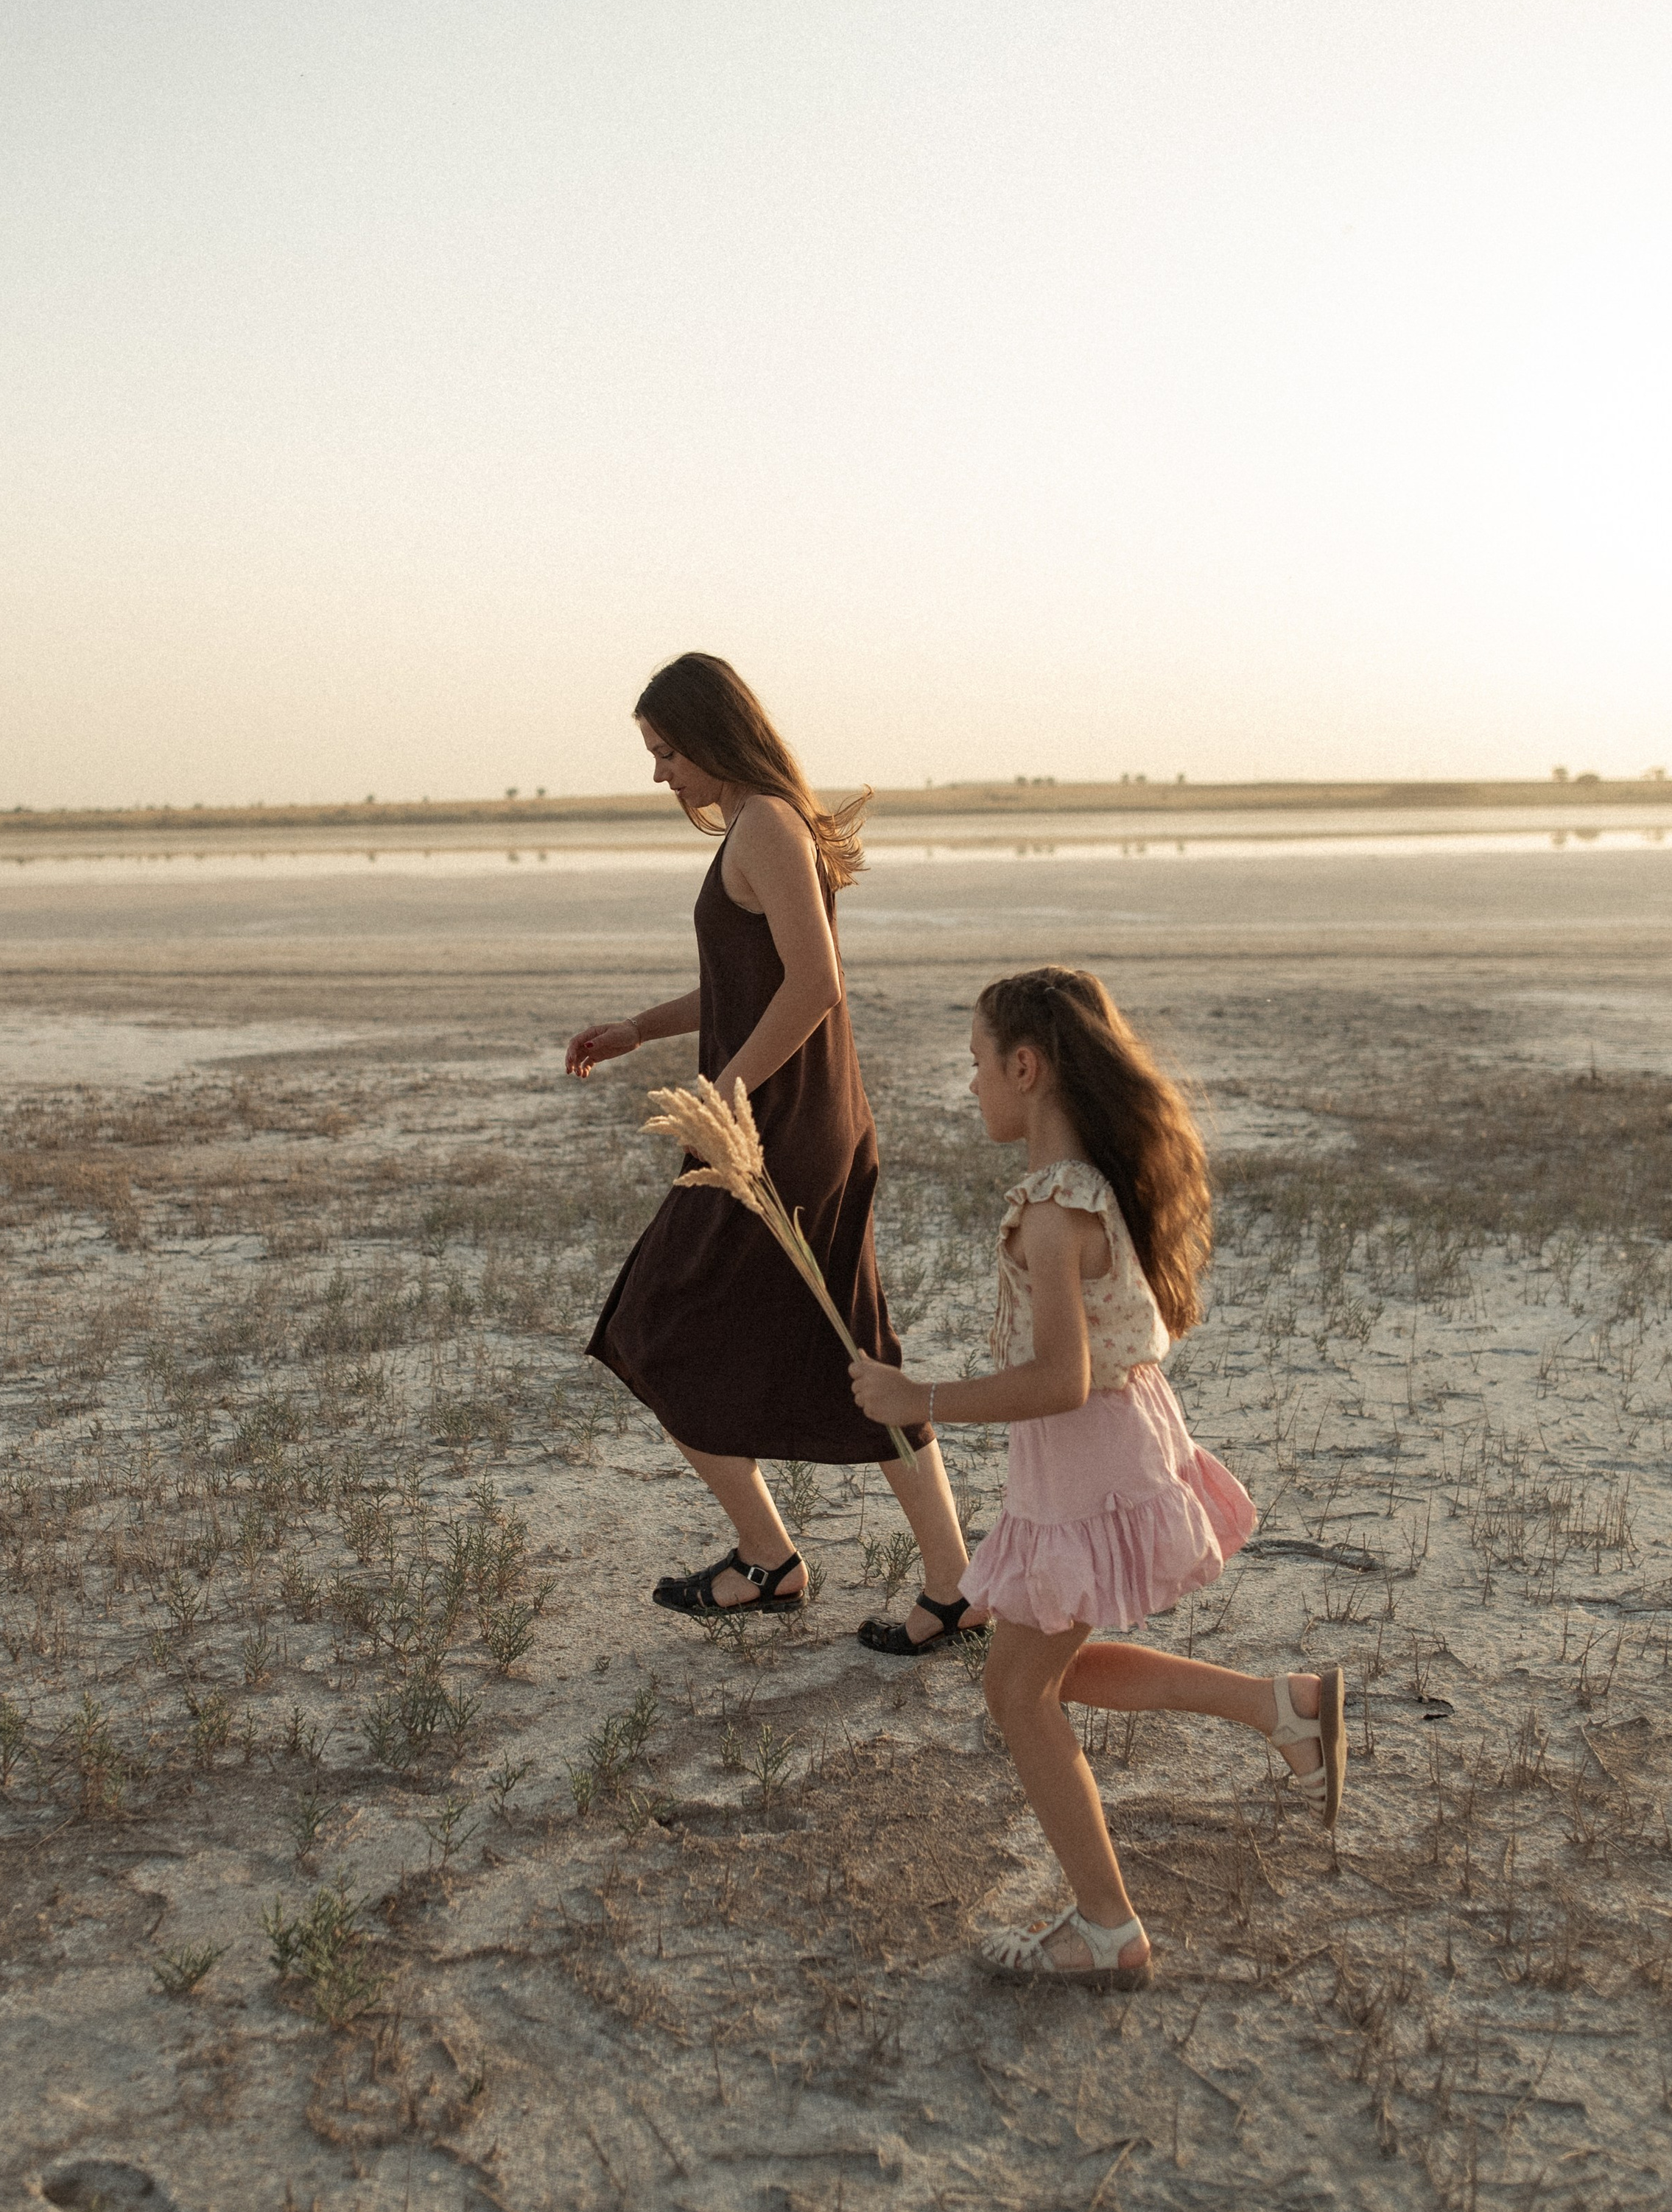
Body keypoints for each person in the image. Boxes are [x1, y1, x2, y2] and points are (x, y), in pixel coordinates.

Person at [849, 965, 1347, 1987]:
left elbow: (1057, 1378)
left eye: (978, 1065)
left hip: (1087, 1461)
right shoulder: (1083, 1186)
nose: (974, 1084)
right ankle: (1283, 1708)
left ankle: (1107, 1930)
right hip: (1107, 1447)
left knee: (1017, 1693)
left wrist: (921, 1398)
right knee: (1044, 1672)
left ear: (1025, 1067)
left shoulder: (1051, 1209)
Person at [566, 652, 986, 1648]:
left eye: (667, 752)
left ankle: (780, 1561)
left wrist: (726, 1093)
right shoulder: (760, 829)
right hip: (782, 1125)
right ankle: (907, 1577)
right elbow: (753, 985)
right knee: (849, 1353)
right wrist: (642, 1028)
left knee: (656, 1325)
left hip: (784, 1137)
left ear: (712, 738)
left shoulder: (767, 827)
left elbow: (816, 986)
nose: (661, 774)